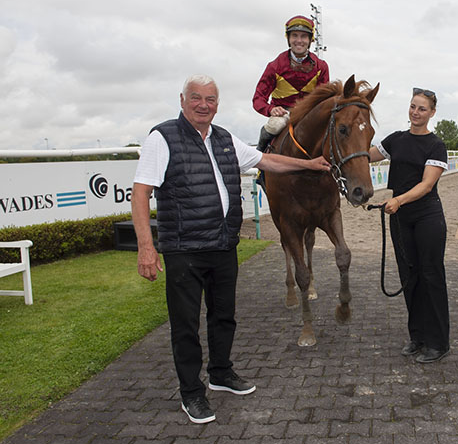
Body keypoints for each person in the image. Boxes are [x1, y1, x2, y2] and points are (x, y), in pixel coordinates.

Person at [131, 74, 330, 424]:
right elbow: (141, 193)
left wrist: (308, 164)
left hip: (223, 244)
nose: (203, 105)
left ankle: (221, 373)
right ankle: (191, 392)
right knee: (185, 324)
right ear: (182, 100)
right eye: (196, 98)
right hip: (184, 248)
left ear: (217, 105)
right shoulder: (162, 137)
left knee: (224, 315)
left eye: (210, 99)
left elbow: (266, 161)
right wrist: (147, 247)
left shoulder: (224, 138)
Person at [368, 87, 450, 364]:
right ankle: (418, 336)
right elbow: (366, 155)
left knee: (431, 276)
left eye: (422, 108)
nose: (416, 112)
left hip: (426, 217)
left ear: (432, 113)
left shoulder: (436, 145)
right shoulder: (396, 140)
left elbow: (427, 185)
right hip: (400, 217)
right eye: (413, 106)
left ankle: (438, 342)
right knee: (409, 276)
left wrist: (399, 200)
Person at [252, 15, 330, 151]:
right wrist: (271, 109)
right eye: (294, 36)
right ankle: (260, 160)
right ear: (288, 39)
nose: (299, 41)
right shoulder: (275, 66)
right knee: (274, 126)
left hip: (309, 114)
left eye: (303, 36)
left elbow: (324, 99)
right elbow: (258, 99)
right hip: (283, 114)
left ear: (310, 40)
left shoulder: (321, 67)